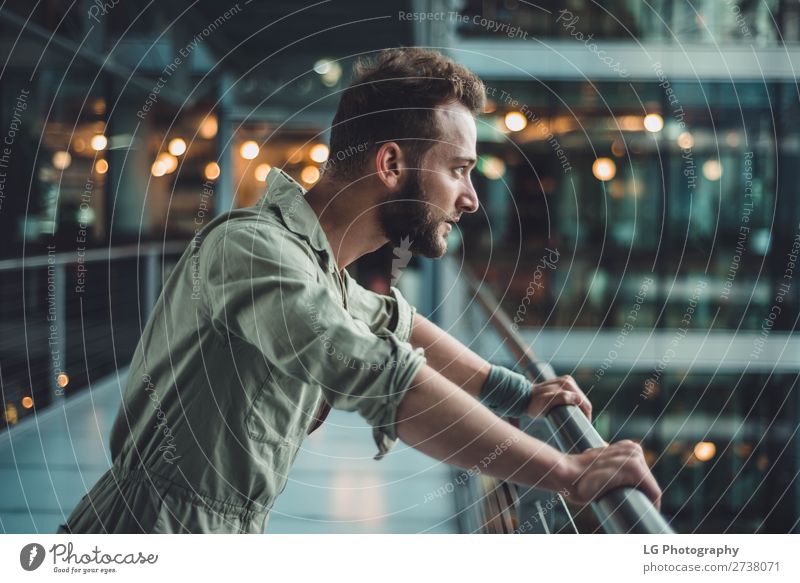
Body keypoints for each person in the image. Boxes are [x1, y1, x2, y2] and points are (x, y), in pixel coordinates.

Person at [58, 47, 660, 534]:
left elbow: (398, 325)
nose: (471, 198)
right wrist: (567, 470)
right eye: (459, 170)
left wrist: (523, 393)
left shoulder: (319, 269)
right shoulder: (252, 250)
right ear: (391, 164)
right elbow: (383, 374)